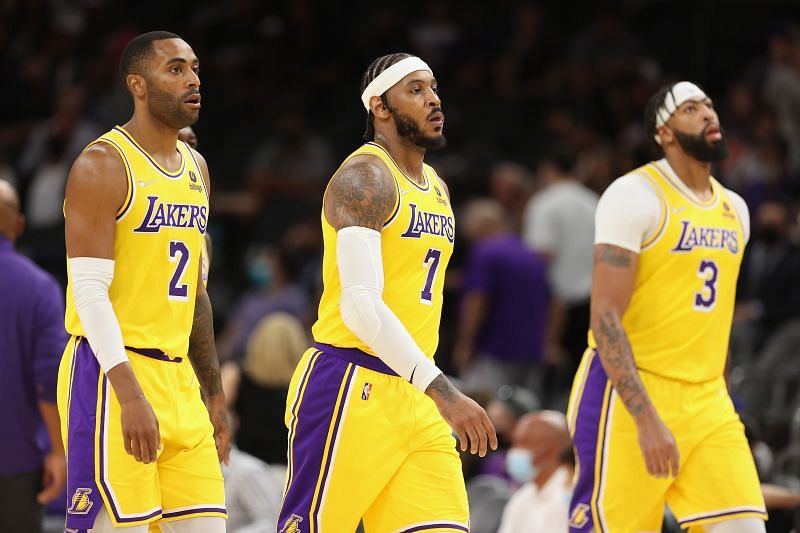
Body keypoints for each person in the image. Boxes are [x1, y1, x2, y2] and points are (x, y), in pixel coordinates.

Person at [278, 52, 497, 532]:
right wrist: (444, 390)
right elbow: (360, 306)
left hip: (416, 395)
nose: (433, 99)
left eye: (434, 88)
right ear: (379, 106)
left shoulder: (436, 186)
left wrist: (431, 388)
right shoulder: (365, 178)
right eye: (415, 90)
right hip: (350, 384)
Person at [567, 81, 767, 532]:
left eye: (711, 106)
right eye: (692, 108)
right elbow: (604, 318)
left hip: (708, 399)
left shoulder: (735, 208)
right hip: (629, 396)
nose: (709, 114)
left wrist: (722, 390)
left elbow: (713, 319)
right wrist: (647, 418)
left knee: (743, 526)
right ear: (664, 132)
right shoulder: (634, 195)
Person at [57, 31, 229, 532]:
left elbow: (196, 295)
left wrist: (213, 393)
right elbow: (89, 292)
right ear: (137, 84)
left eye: (195, 68)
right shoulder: (102, 165)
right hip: (113, 372)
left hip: (178, 380)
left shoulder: (197, 169)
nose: (193, 79)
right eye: (175, 69)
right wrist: (129, 394)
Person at [0, 179, 67, 532]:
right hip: (17, 458)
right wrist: (58, 451)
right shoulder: (39, 288)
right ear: (19, 225)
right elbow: (48, 380)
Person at [454, 198, 551, 399]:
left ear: (481, 226)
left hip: (493, 350)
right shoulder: (529, 253)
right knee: (521, 410)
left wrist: (465, 342)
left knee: (482, 411)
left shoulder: (485, 252)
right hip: (531, 351)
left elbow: (476, 300)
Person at [498, 411, 573, 533]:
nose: (514, 451)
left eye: (523, 442)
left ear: (549, 451)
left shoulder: (570, 497)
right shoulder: (522, 497)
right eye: (514, 443)